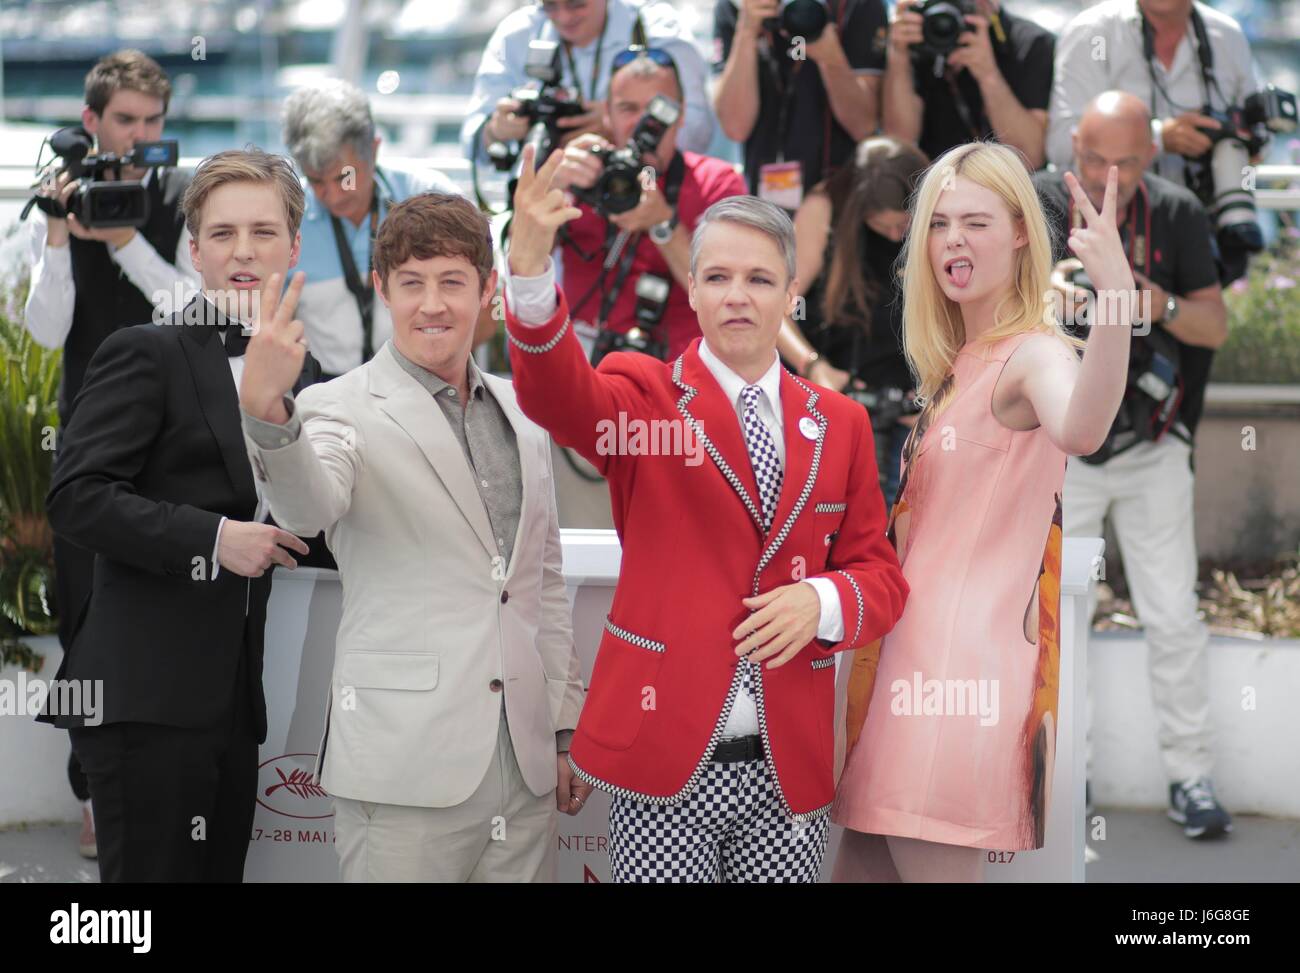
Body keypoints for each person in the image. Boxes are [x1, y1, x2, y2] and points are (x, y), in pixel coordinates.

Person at [505, 146, 910, 883]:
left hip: (789, 772)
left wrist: (818, 598)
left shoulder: (842, 422)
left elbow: (879, 576)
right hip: (663, 758)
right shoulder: (641, 390)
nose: (737, 296)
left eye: (759, 279)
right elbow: (562, 401)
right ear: (689, 290)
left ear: (793, 296)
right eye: (718, 277)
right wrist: (531, 278)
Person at [238, 191, 587, 882]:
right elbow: (306, 508)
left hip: (523, 770)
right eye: (412, 283)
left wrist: (562, 726)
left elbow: (541, 582)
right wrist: (266, 412)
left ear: (488, 290)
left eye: (453, 281)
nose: (433, 304)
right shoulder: (334, 405)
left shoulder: (525, 412)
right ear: (381, 289)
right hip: (403, 768)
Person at [831, 142, 1134, 882]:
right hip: (903, 678)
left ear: (1023, 233)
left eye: (975, 221)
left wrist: (1116, 296)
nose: (953, 240)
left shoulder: (1033, 355)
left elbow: (1085, 428)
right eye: (937, 223)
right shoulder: (959, 363)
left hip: (950, 690)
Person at [37, 149, 321, 882]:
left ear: (294, 244)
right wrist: (215, 538)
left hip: (235, 705)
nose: (244, 252)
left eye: (263, 232)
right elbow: (77, 496)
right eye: (222, 234)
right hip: (143, 697)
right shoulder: (145, 351)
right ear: (193, 251)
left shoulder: (309, 373)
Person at [1036, 91, 1231, 840]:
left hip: (1152, 441)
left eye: (1123, 162)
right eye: (1092, 159)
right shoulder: (1043, 200)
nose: (1106, 175)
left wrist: (1155, 303)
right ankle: (1063, 775)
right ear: (1071, 149)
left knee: (1172, 614)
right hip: (1063, 445)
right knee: (1057, 617)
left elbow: (1213, 323)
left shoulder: (1176, 212)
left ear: (1150, 157)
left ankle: (1191, 775)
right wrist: (1044, 296)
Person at [22, 49, 200, 861]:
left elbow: (195, 309)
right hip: (90, 443)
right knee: (87, 620)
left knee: (167, 618)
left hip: (174, 439)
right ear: (90, 122)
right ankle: (91, 793)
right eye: (124, 120)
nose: (138, 136)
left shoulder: (180, 197)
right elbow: (43, 331)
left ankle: (167, 793)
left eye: (152, 122)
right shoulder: (58, 195)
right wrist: (61, 233)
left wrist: (124, 238)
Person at [548, 51, 746, 361]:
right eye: (628, 108)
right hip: (587, 372)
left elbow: (730, 294)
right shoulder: (581, 174)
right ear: (607, 115)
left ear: (681, 116)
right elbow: (520, 272)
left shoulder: (716, 182)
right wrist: (550, 190)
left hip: (682, 378)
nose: (643, 124)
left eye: (657, 110)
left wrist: (663, 224)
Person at [779, 136, 929, 505]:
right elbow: (777, 310)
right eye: (885, 226)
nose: (898, 235)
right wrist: (814, 367)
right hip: (840, 397)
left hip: (916, 408)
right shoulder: (824, 209)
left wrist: (941, 394)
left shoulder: (937, 218)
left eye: (905, 223)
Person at [281, 80, 462, 379]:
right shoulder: (284, 221)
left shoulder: (435, 200)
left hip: (423, 381)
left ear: (375, 150)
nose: (333, 195)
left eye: (343, 178)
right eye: (316, 181)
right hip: (324, 390)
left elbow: (479, 304)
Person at [462, 0, 715, 165]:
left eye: (576, 5)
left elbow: (697, 133)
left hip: (635, 196)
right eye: (549, 5)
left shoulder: (659, 30)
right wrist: (496, 131)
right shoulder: (516, 34)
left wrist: (618, 127)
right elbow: (471, 143)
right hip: (546, 201)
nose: (563, 17)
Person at [1047, 0, 1261, 186]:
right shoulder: (1093, 33)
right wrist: (1159, 138)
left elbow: (1259, 134)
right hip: (1112, 216)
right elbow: (1062, 144)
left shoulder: (1228, 36)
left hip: (1208, 219)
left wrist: (1239, 139)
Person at [711, 0, 888, 208]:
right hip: (764, 203)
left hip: (838, 198)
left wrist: (831, 58)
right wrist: (746, 32)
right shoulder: (737, 6)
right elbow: (735, 127)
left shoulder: (858, 6)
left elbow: (863, 126)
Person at [882, 0, 1054, 169]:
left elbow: (1031, 157)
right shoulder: (916, 36)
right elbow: (899, 142)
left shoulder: (1031, 42)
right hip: (931, 180)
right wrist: (898, 55)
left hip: (1001, 184)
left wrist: (988, 74)